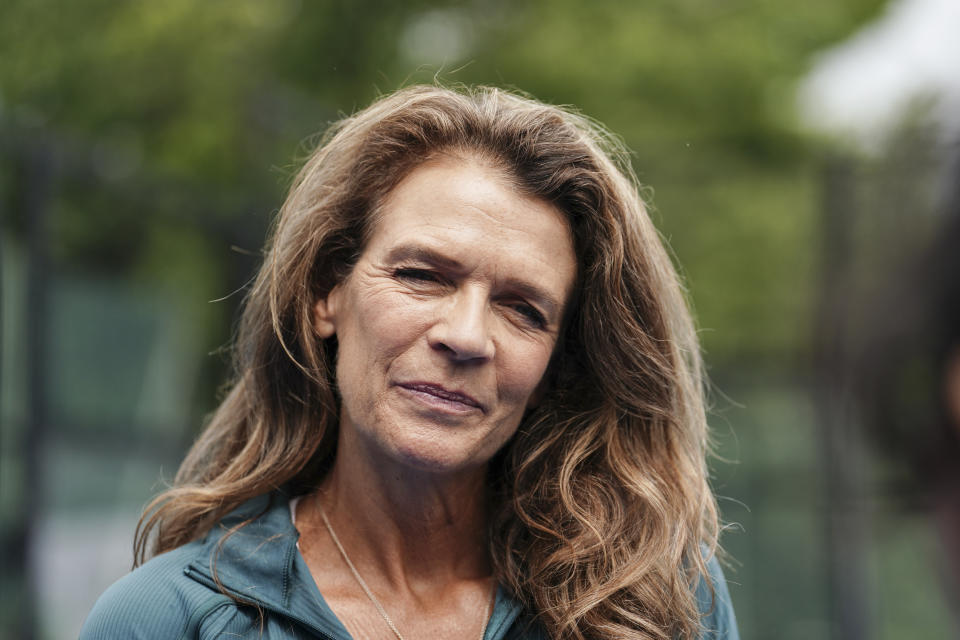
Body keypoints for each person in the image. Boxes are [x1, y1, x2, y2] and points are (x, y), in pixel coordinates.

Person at [80, 85, 739, 640]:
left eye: (524, 311)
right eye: (423, 275)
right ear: (325, 294)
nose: (466, 336)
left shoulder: (651, 603)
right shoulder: (168, 618)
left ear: (553, 373)